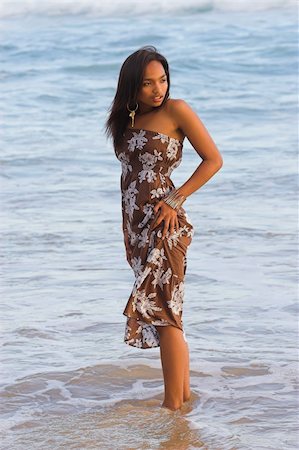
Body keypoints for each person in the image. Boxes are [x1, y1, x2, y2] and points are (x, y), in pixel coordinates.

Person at [105, 45, 223, 411]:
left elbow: (213, 160)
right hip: (138, 226)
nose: (159, 89)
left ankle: (172, 409)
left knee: (165, 310)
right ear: (131, 88)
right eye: (148, 84)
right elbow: (127, 179)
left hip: (165, 223)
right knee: (163, 309)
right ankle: (182, 398)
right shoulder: (126, 119)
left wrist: (176, 200)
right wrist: (127, 233)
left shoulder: (177, 110)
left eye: (163, 80)